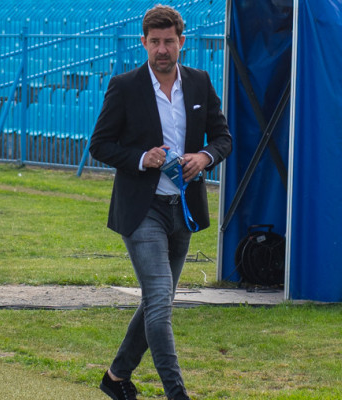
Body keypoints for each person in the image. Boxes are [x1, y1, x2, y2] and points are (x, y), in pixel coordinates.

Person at [89, 5, 232, 400]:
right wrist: (141, 158)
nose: (162, 49)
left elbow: (223, 138)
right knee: (160, 302)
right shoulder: (125, 86)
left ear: (181, 42)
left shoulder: (200, 82)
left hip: (183, 210)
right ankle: (176, 393)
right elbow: (100, 144)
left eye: (169, 41)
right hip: (142, 209)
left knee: (158, 301)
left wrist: (205, 157)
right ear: (144, 43)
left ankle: (116, 377)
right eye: (155, 42)